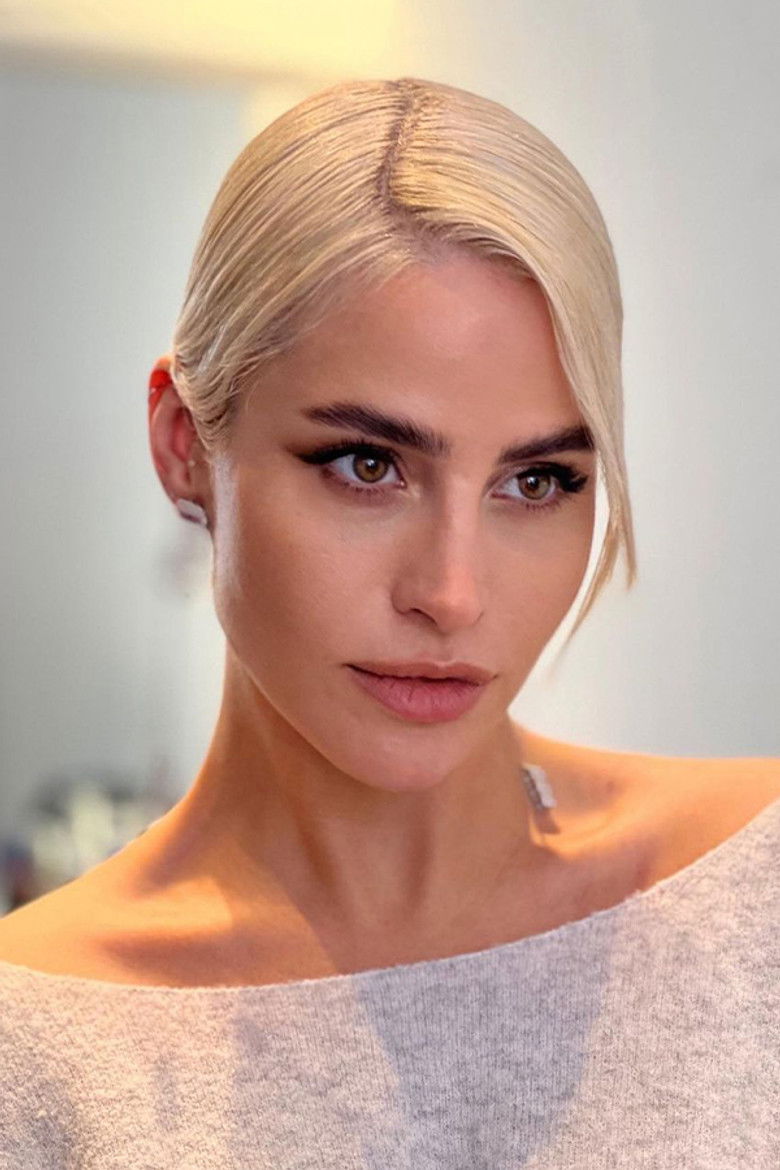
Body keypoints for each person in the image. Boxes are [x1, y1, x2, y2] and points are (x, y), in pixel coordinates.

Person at [0, 75, 777, 1169]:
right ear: (185, 446)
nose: (451, 593)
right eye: (367, 465)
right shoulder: (35, 1049)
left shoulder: (755, 893)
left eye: (538, 481)